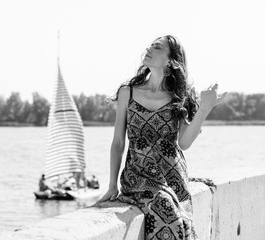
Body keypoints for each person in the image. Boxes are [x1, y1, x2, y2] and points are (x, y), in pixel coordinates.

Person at [96, 35, 227, 239]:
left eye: (157, 47)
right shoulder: (127, 92)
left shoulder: (180, 96)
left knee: (175, 212)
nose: (148, 48)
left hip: (172, 174)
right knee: (165, 204)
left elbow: (184, 143)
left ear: (170, 61)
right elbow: (118, 143)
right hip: (137, 174)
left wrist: (205, 108)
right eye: (150, 45)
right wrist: (112, 185)